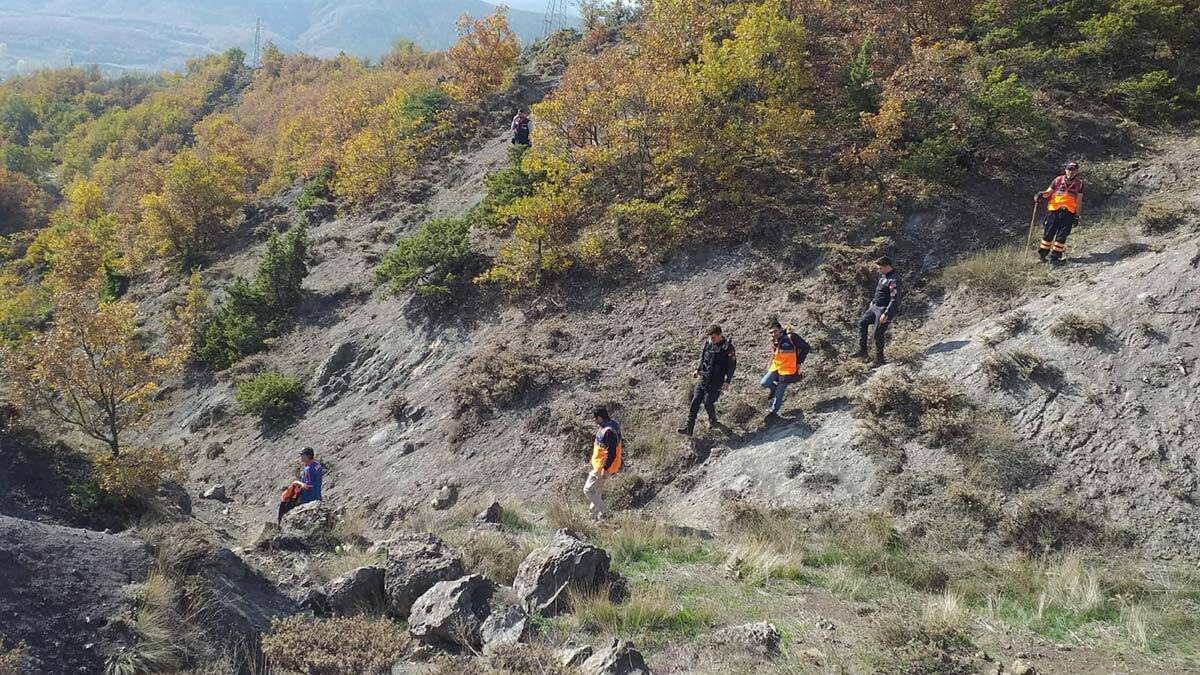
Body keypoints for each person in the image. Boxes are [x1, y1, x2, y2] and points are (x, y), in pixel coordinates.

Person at [678, 324, 737, 436]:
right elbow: (703, 358)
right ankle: (689, 428)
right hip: (704, 376)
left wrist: (727, 381)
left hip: (716, 380)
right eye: (710, 337)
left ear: (720, 335)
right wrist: (698, 369)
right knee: (695, 400)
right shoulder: (709, 343)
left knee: (708, 401)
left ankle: (712, 419)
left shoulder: (728, 347)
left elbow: (732, 365)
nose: (711, 339)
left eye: (713, 337)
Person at [760, 321, 811, 421]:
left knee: (779, 393)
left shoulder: (792, 337)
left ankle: (773, 412)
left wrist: (799, 362)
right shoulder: (775, 340)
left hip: (788, 370)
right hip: (776, 367)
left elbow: (806, 347)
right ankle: (774, 390)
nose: (773, 334)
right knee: (764, 383)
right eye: (771, 332)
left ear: (780, 329)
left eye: (775, 331)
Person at [1035, 161, 1084, 265]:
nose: (1071, 172)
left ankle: (1055, 258)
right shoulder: (1058, 180)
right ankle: (1042, 256)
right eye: (1069, 169)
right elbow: (1048, 192)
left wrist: (1077, 216)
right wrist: (1041, 194)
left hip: (1069, 212)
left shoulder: (1079, 184)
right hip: (1054, 209)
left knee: (1062, 235)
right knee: (1048, 233)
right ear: (1065, 170)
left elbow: (1079, 201)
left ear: (1077, 171)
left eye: (1073, 170)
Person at [854, 256, 899, 366]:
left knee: (877, 334)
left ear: (887, 266)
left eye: (880, 268)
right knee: (862, 322)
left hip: (884, 310)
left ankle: (879, 360)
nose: (879, 270)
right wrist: (873, 302)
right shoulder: (883, 277)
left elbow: (894, 299)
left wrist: (886, 313)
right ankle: (863, 351)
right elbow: (880, 292)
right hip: (875, 307)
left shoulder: (893, 280)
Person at [584, 406, 622, 521]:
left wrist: (605, 468)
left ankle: (605, 513)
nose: (594, 420)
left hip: (602, 467)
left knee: (588, 490)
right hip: (604, 465)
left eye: (595, 418)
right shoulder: (613, 424)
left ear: (600, 417)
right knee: (597, 491)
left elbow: (612, 452)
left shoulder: (608, 431)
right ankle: (594, 516)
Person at [278, 447, 324, 524]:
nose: (300, 457)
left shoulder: (309, 470)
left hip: (307, 500)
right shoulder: (317, 464)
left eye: (302, 455)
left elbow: (307, 486)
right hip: (317, 496)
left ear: (307, 456)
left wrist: (297, 483)